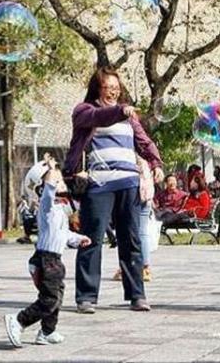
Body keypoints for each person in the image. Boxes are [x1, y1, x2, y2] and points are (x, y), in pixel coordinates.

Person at [62, 67, 164, 314]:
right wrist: (120, 110)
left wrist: (156, 162)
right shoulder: (85, 111)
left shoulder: (128, 116)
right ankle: (86, 297)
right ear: (98, 88)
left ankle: (137, 295)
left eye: (117, 89)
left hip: (128, 183)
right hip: (99, 185)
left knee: (131, 240)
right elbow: (101, 117)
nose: (114, 92)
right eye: (109, 88)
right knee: (92, 239)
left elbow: (143, 141)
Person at [4, 160, 91, 348]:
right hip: (45, 260)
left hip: (55, 260)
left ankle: (47, 331)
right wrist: (50, 169)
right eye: (57, 182)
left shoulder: (59, 210)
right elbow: (49, 185)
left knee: (56, 296)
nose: (61, 184)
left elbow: (63, 234)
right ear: (41, 188)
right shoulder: (47, 205)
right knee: (49, 298)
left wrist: (77, 238)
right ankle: (19, 320)